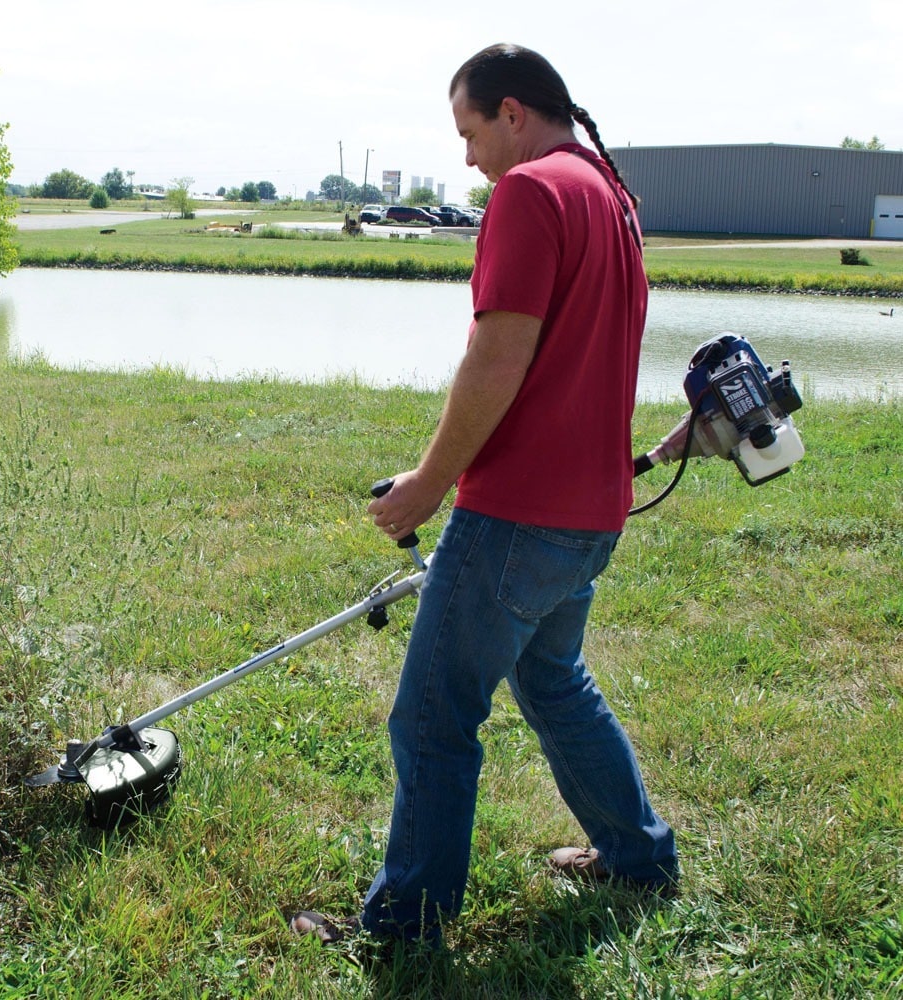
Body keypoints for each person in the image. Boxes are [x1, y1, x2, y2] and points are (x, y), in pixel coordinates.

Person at [292, 42, 678, 947]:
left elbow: (497, 356)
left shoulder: (533, 191)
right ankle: (638, 856)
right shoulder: (610, 196)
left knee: (433, 714)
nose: (467, 159)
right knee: (553, 681)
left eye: (470, 132)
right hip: (592, 513)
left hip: (518, 516)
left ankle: (406, 924)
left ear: (513, 112)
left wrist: (430, 484)